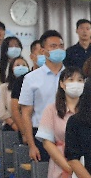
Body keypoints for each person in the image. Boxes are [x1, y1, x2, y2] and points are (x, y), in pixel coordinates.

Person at [18, 30, 68, 162]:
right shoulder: (31, 78)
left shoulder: (72, 76)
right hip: (41, 135)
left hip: (68, 134)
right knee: (43, 172)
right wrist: (31, 145)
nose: (58, 49)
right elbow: (26, 114)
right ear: (43, 50)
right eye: (53, 46)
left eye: (61, 46)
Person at [35, 66, 84, 178]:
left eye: (80, 80)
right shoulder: (52, 110)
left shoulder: (89, 110)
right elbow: (47, 143)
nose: (76, 84)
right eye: (71, 80)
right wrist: (68, 167)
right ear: (62, 84)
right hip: (61, 163)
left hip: (86, 164)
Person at [0, 35, 26, 131]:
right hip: (11, 126)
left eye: (17, 45)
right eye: (11, 46)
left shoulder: (30, 86)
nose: (21, 67)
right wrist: (15, 125)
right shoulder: (4, 87)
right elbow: (1, 111)